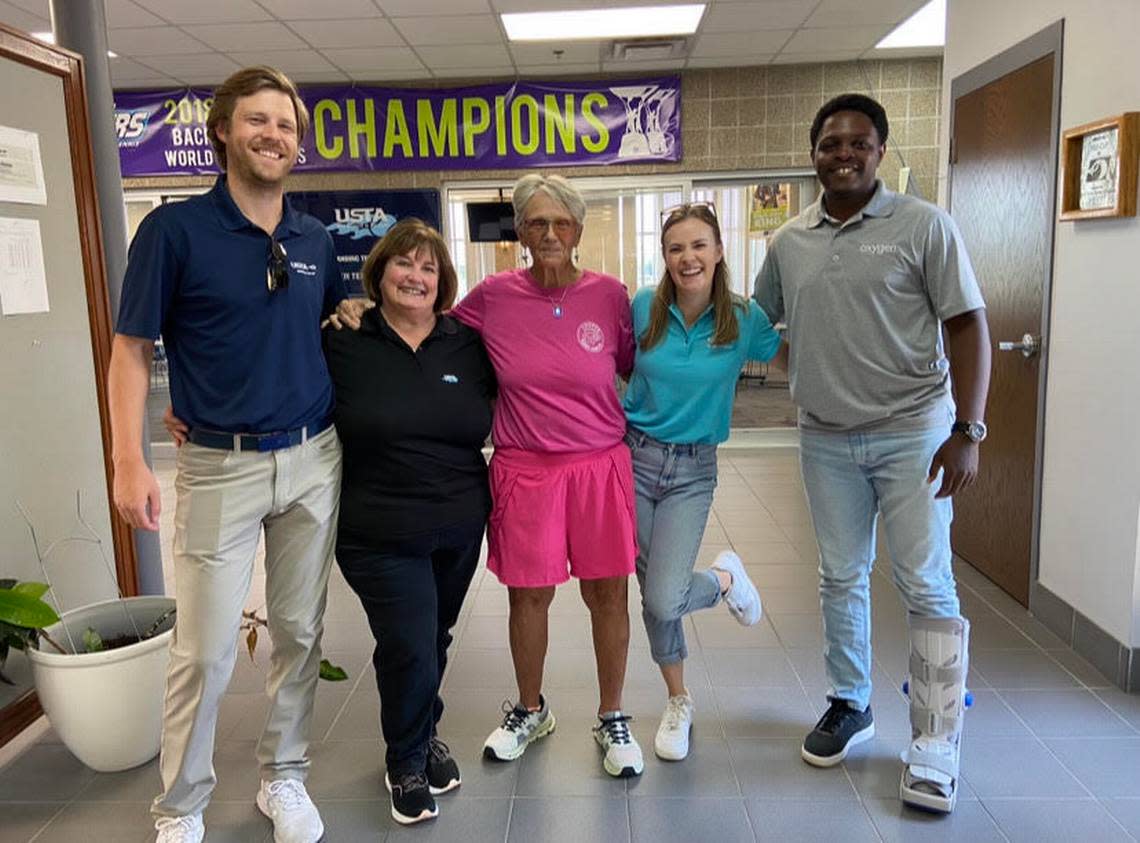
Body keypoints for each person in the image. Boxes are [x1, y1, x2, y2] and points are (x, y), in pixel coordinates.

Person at [108, 66, 347, 843]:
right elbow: (132, 349)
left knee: (301, 630)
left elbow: (322, 328)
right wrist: (128, 457)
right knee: (205, 648)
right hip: (218, 464)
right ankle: (180, 807)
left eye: (285, 124)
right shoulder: (172, 233)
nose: (273, 134)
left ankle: (284, 775)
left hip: (313, 456)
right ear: (223, 130)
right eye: (258, 120)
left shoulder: (314, 238)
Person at [335, 175, 642, 777]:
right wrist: (365, 305)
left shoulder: (610, 295)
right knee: (529, 597)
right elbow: (425, 316)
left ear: (578, 231)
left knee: (607, 594)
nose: (549, 233)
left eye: (560, 223)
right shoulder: (493, 297)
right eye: (535, 223)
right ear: (521, 234)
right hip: (525, 468)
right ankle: (531, 709)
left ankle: (612, 715)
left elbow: (630, 364)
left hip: (598, 465)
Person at [753, 93, 991, 813]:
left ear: (879, 151)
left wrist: (968, 429)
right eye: (830, 143)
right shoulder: (789, 240)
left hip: (914, 429)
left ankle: (935, 737)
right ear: (814, 153)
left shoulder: (925, 226)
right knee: (840, 573)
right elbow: (756, 323)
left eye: (858, 142)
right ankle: (850, 701)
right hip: (825, 435)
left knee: (925, 581)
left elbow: (970, 326)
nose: (844, 153)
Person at [322, 220, 495, 825]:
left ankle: (423, 734)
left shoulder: (465, 344)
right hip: (377, 528)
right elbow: (279, 376)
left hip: (458, 523)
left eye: (428, 267)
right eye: (404, 263)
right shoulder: (343, 338)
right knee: (409, 643)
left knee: (433, 637)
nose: (415, 276)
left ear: (442, 280)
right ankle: (407, 761)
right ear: (380, 271)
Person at [623, 202, 782, 761]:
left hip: (693, 471)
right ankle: (678, 700)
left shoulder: (744, 319)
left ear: (718, 251)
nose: (687, 258)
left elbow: (789, 353)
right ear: (664, 258)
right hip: (633, 460)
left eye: (698, 246)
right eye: (675, 248)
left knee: (666, 595)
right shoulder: (644, 307)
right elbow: (613, 364)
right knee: (652, 593)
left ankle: (724, 580)